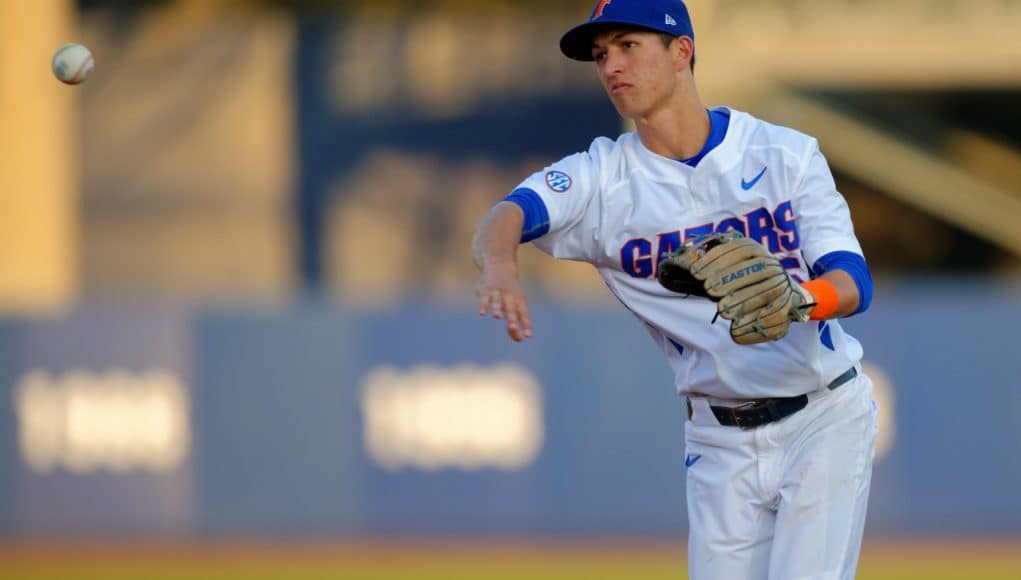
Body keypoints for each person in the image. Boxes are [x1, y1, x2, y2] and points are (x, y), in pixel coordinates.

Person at [471, 0, 879, 578]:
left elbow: (854, 282)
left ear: (682, 50)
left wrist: (802, 300)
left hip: (822, 418)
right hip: (717, 441)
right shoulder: (602, 180)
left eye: (628, 46)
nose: (611, 65)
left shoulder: (783, 154)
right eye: (600, 54)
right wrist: (499, 265)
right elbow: (507, 213)